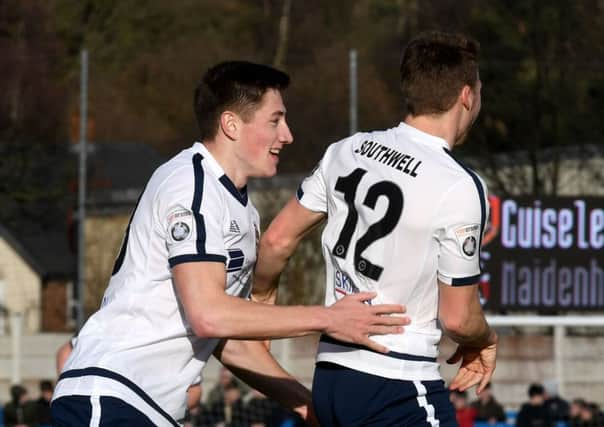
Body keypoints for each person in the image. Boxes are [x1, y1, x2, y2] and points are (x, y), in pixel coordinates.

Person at [50, 60, 408, 426]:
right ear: (231, 124)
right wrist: (328, 318)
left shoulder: (242, 209)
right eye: (275, 120)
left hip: (143, 408)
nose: (287, 135)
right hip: (112, 396)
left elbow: (229, 340)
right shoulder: (190, 185)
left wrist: (306, 405)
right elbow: (209, 315)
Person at [253, 30, 498, 426]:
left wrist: (262, 300)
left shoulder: (347, 149)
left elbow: (277, 241)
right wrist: (485, 339)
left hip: (332, 376)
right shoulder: (458, 184)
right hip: (396, 383)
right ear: (467, 96)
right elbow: (458, 319)